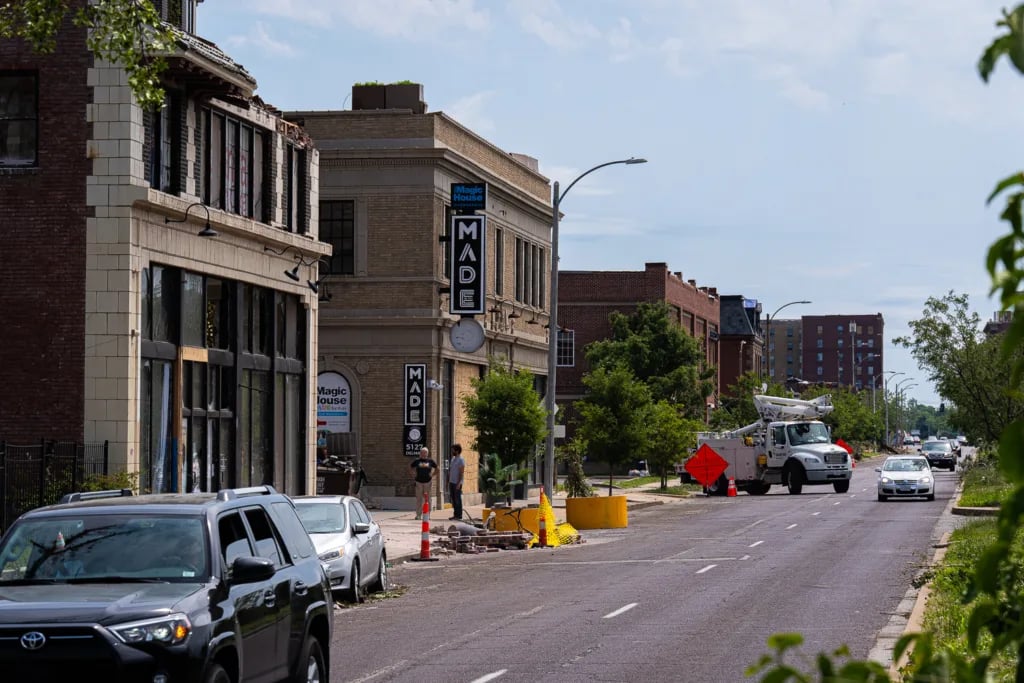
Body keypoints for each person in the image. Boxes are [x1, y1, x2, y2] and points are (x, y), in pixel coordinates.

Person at [410, 447, 438, 520]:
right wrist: (413, 474)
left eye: (424, 452)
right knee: (419, 499)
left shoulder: (430, 461)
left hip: (428, 482)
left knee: (428, 499)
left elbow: (437, 468)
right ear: (420, 453)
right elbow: (411, 467)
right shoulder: (417, 461)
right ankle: (418, 515)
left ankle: (427, 515)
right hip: (418, 482)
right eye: (422, 452)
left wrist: (432, 475)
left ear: (427, 453)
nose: (423, 454)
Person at [448, 444, 466, 520]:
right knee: (453, 499)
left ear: (457, 451)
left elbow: (461, 472)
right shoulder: (453, 459)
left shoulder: (461, 460)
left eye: (453, 450)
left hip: (457, 483)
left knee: (457, 499)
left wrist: (459, 483)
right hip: (451, 482)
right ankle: (455, 514)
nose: (452, 451)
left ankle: (459, 516)